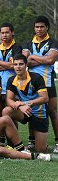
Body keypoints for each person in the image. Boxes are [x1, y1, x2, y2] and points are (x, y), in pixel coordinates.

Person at [23, 16, 58, 152]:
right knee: (32, 110)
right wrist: (39, 59)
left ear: (47, 27)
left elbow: (50, 60)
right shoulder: (28, 43)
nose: (39, 29)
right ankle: (32, 141)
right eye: (37, 27)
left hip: (47, 81)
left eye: (42, 27)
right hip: (32, 83)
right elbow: (26, 60)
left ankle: (57, 142)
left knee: (52, 111)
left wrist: (33, 57)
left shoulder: (53, 42)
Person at [2, 54, 49, 153]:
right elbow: (9, 100)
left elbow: (45, 98)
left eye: (21, 64)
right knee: (6, 111)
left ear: (26, 65)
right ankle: (13, 145)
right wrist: (20, 106)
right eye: (15, 64)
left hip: (39, 113)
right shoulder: (11, 80)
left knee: (40, 150)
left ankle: (42, 143)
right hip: (24, 112)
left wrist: (25, 103)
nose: (18, 67)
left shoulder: (36, 77)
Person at [0, 22, 22, 117]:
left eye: (7, 32)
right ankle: (2, 132)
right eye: (2, 33)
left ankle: (12, 132)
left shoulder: (17, 47)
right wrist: (7, 65)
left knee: (10, 113)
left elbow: (14, 66)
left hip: (12, 85)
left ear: (12, 33)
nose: (4, 35)